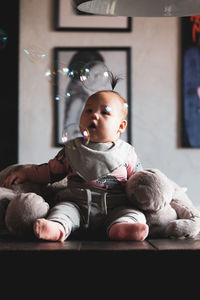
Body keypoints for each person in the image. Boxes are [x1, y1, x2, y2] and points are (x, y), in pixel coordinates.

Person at [3, 88, 149, 242]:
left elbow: (138, 182)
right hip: (76, 205)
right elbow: (49, 171)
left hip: (115, 207)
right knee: (61, 210)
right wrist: (26, 173)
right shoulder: (72, 150)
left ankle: (121, 228)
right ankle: (57, 227)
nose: (94, 115)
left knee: (132, 213)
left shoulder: (127, 153)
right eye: (89, 110)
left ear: (121, 126)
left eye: (105, 112)